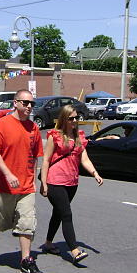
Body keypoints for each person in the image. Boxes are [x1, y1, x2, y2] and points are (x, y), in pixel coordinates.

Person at [0, 89, 45, 273]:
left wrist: (34, 178)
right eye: (25, 103)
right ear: (15, 103)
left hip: (26, 186)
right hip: (3, 186)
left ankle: (26, 260)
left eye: (32, 104)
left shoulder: (33, 128)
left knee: (27, 222)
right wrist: (8, 174)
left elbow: (35, 156)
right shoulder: (2, 125)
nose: (29, 107)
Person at [40, 104, 103, 264]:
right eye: (71, 118)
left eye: (76, 118)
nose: (75, 121)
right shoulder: (55, 136)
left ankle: (48, 243)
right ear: (64, 119)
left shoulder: (79, 136)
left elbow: (84, 159)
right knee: (66, 214)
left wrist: (95, 173)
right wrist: (44, 184)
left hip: (72, 182)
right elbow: (46, 160)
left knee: (59, 213)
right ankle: (74, 251)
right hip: (55, 181)